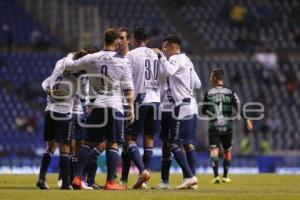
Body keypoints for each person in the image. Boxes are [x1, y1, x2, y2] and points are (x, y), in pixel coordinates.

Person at [62, 28, 134, 190]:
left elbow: (69, 67)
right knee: (113, 144)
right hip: (115, 106)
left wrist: (69, 55)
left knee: (88, 143)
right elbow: (128, 89)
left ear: (104, 40)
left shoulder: (91, 58)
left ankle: (78, 178)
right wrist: (132, 109)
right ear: (116, 42)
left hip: (97, 105)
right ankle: (110, 182)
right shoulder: (123, 61)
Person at [36, 50, 90, 190]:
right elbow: (84, 94)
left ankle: (41, 179)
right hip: (64, 114)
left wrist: (49, 90)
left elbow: (45, 83)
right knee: (65, 149)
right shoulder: (79, 78)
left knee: (50, 147)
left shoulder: (60, 65)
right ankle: (65, 184)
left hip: (49, 111)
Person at [154, 35, 199, 189]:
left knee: (173, 142)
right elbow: (197, 83)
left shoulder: (174, 59)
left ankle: (189, 176)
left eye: (165, 47)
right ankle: (191, 180)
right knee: (186, 144)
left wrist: (161, 57)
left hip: (180, 106)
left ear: (173, 47)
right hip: (190, 104)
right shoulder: (187, 60)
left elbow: (169, 71)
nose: (163, 50)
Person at [121, 27, 162, 189]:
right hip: (156, 100)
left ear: (134, 39)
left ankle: (142, 171)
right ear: (147, 40)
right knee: (149, 138)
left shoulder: (131, 55)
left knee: (129, 138)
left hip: (139, 99)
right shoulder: (157, 55)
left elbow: (125, 77)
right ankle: (143, 177)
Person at [202, 68, 253, 184]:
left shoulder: (209, 92)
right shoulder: (230, 91)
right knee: (227, 151)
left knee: (214, 151)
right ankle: (225, 176)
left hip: (213, 127)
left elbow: (203, 110)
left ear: (215, 78)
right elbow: (238, 107)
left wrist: (211, 111)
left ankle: (216, 177)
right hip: (227, 127)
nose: (210, 79)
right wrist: (247, 119)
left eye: (211, 77)